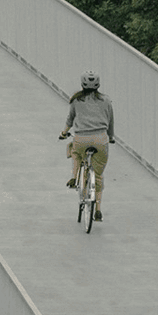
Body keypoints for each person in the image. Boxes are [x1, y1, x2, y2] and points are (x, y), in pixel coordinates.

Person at [59, 71, 115, 221]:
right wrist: (111, 137)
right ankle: (98, 209)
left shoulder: (76, 100)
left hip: (82, 138)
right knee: (98, 175)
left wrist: (63, 133)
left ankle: (74, 177)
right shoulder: (106, 101)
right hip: (100, 139)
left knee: (75, 152)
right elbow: (110, 122)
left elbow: (70, 120)